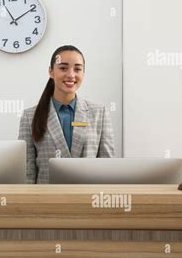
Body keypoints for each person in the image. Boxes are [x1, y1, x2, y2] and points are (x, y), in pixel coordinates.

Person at [18, 45, 115, 183]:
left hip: (88, 199)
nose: (71, 75)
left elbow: (108, 169)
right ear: (51, 72)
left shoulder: (99, 113)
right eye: (63, 68)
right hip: (47, 201)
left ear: (83, 73)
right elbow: (27, 172)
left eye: (77, 69)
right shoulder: (30, 116)